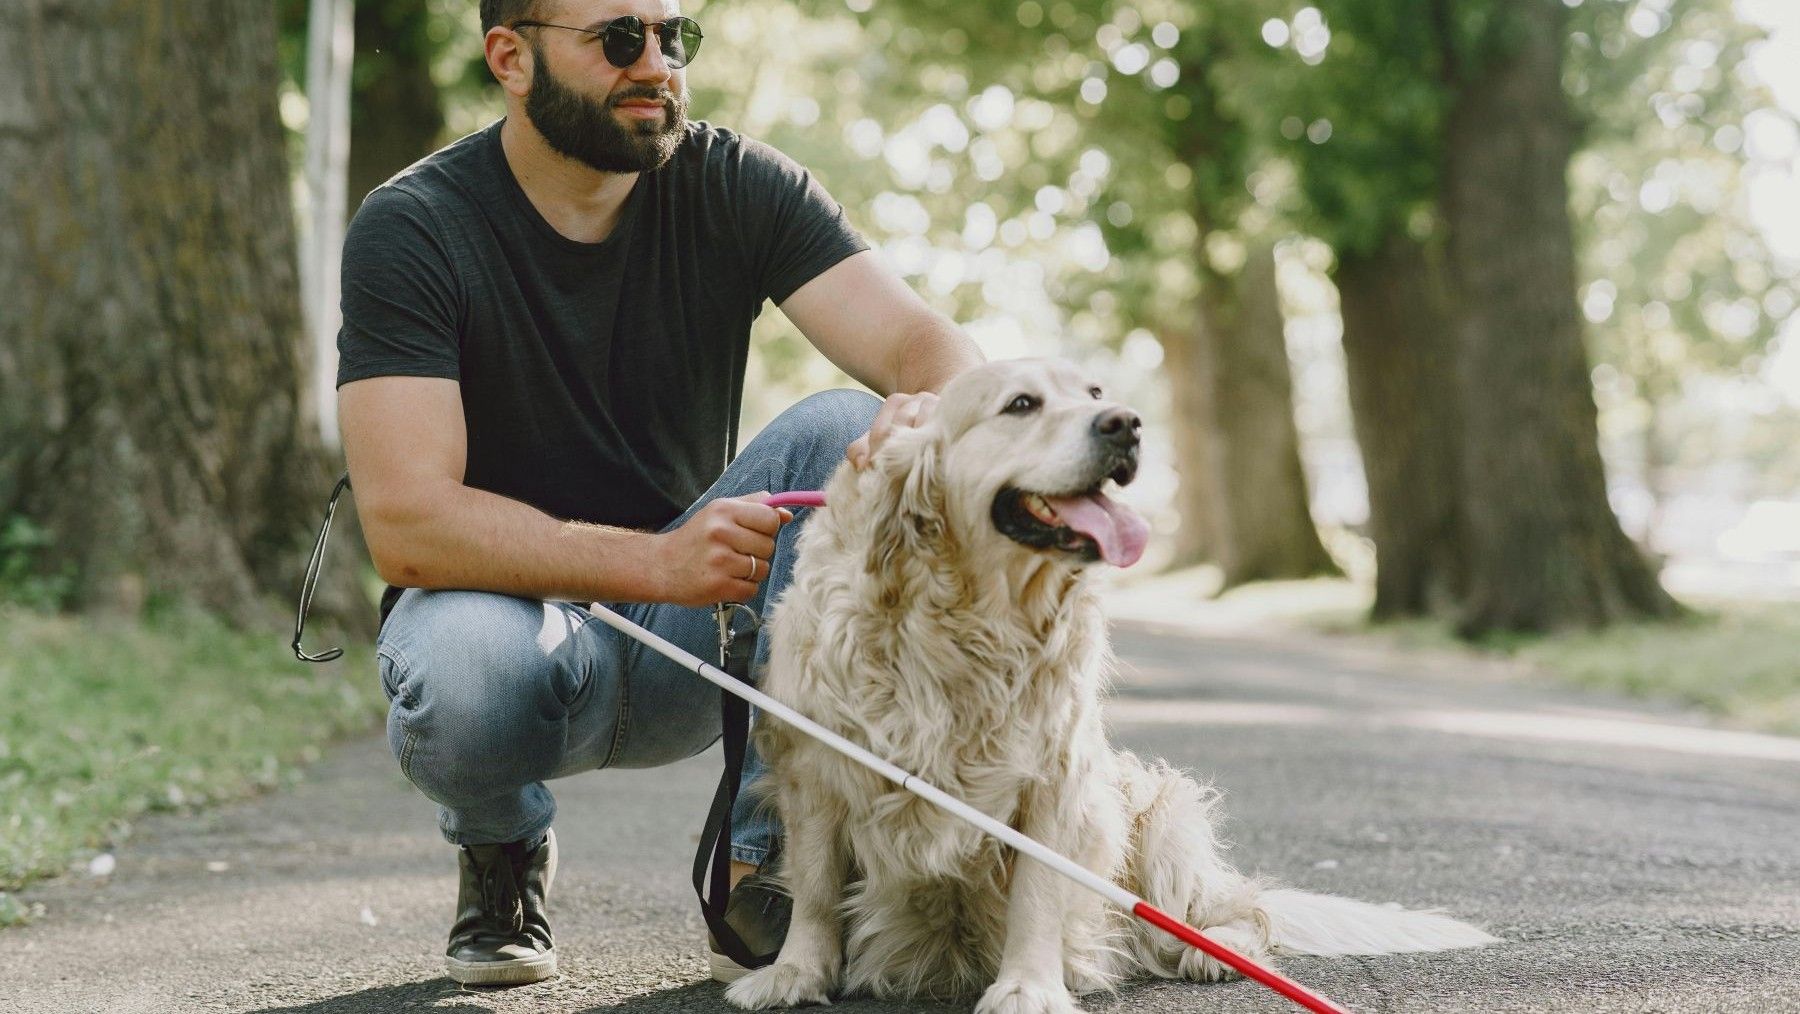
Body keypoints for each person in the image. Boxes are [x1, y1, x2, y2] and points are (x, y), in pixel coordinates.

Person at [334, 0, 983, 988]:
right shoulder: (414, 225)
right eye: (617, 40)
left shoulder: (736, 183)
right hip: (517, 642)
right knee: (453, 668)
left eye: (673, 37)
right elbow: (408, 524)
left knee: (844, 429)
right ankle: (502, 847)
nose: (658, 66)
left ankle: (771, 863)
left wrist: (925, 411)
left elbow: (924, 348)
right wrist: (652, 562)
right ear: (510, 57)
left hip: (704, 646)